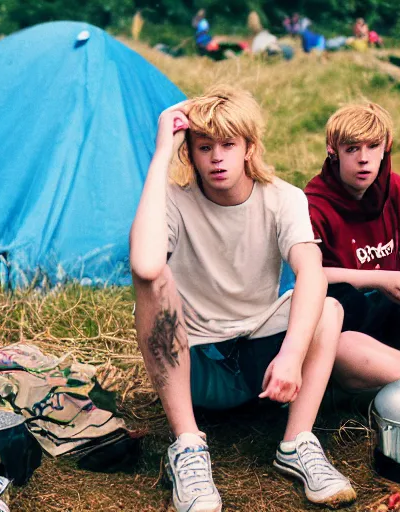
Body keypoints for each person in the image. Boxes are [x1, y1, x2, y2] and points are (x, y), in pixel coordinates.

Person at [129, 85, 356, 511]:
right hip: (195, 364)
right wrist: (161, 152)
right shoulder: (176, 201)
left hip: (264, 365)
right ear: (189, 153)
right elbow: (144, 266)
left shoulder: (285, 198)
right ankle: (188, 446)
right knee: (154, 281)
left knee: (327, 306)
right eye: (204, 147)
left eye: (228, 145)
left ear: (249, 147)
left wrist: (290, 356)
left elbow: (311, 270)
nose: (217, 157)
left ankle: (296, 442)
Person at [304, 103, 400, 390]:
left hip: (399, 301)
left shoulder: (394, 187)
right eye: (351, 149)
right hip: (351, 313)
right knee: (341, 328)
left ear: (387, 147)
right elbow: (308, 275)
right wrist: (380, 279)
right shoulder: (312, 205)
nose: (363, 159)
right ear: (332, 150)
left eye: (373, 147)